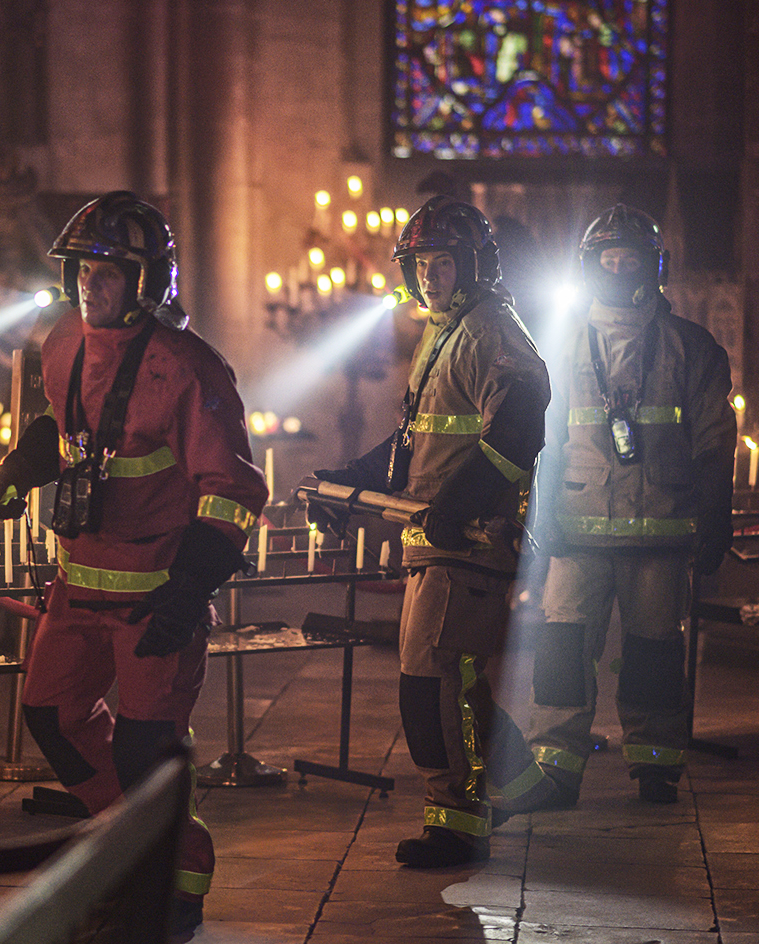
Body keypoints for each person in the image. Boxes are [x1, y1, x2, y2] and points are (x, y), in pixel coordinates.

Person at [0, 191, 267, 933]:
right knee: (51, 715)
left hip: (153, 603)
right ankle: (127, 850)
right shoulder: (65, 340)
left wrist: (187, 590)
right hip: (78, 587)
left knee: (146, 754)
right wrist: (12, 478)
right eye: (81, 269)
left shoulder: (191, 369)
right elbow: (60, 431)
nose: (87, 284)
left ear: (148, 282)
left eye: (107, 271)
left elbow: (231, 492)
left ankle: (177, 875)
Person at [310, 195, 558, 868]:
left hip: (467, 541)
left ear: (473, 265)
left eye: (443, 262)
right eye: (420, 264)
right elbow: (418, 439)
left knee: (429, 679)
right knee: (460, 679)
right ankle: (519, 782)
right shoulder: (446, 330)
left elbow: (523, 416)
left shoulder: (489, 329)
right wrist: (350, 484)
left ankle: (454, 824)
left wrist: (460, 503)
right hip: (440, 538)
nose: (429, 277)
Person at [524, 204, 736, 807]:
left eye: (630, 257)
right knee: (562, 653)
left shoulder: (692, 348)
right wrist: (539, 517)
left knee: (653, 655)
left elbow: (716, 439)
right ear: (591, 266)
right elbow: (541, 437)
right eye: (608, 258)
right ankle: (554, 768)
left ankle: (656, 766)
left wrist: (715, 515)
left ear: (654, 265)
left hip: (659, 535)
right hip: (575, 532)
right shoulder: (560, 345)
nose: (619, 267)